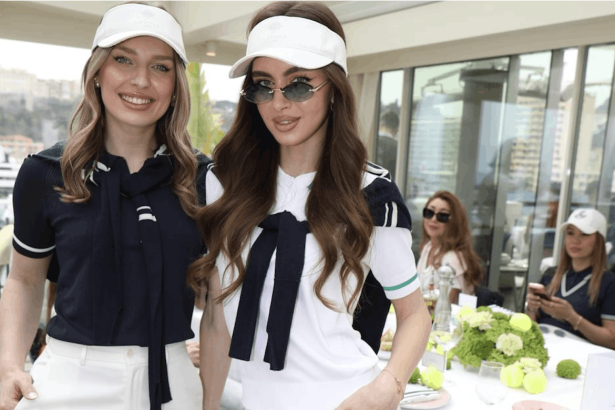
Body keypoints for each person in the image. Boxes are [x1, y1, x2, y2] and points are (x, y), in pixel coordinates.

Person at [188, 2, 431, 410]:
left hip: (347, 398)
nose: (279, 103)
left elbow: (414, 314)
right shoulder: (222, 184)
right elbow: (215, 319)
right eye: (263, 86)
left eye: (298, 84)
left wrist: (387, 386)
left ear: (334, 88)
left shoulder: (371, 194)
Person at [0, 3, 209, 410]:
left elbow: (218, 293)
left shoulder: (204, 179)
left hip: (172, 381)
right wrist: (8, 364)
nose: (141, 80)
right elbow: (25, 280)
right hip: (68, 378)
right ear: (97, 72)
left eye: (160, 67)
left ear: (175, 83)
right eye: (123, 60)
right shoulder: (45, 173)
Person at [526, 208, 615, 349]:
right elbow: (531, 326)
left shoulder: (609, 283)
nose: (575, 240)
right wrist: (531, 309)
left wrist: (572, 317)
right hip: (540, 347)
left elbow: (612, 340)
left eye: (584, 234)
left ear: (599, 240)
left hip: (578, 356)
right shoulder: (551, 274)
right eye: (570, 233)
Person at [417, 190, 484, 304]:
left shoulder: (454, 258)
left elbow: (445, 305)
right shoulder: (427, 247)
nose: (433, 219)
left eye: (442, 216)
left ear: (454, 222)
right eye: (429, 212)